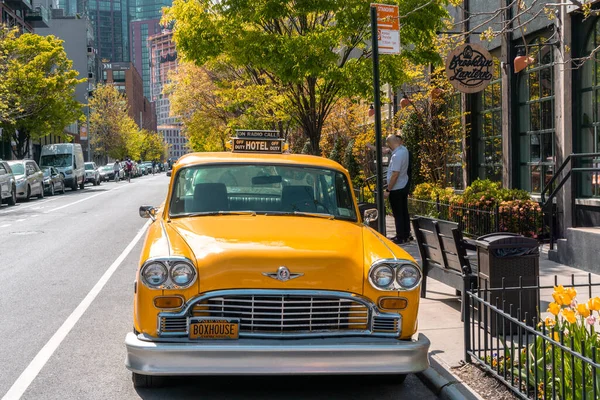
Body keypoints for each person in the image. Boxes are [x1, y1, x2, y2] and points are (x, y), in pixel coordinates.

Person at [383, 134, 411, 244]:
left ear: (390, 144)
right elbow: (393, 149)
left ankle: (400, 236)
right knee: (404, 212)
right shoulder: (404, 150)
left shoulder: (396, 156)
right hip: (403, 185)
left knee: (398, 213)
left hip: (396, 188)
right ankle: (406, 234)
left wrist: (388, 190)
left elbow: (395, 174)